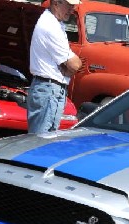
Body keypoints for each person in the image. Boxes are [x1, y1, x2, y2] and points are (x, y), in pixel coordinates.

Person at [27, 0, 82, 134]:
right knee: (40, 143)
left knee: (44, 141)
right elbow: (75, 65)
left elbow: (74, 65)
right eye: (69, 5)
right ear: (56, 3)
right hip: (48, 90)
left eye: (73, 6)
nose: (72, 9)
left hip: (49, 90)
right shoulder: (50, 26)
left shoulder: (55, 24)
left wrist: (68, 68)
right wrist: (69, 68)